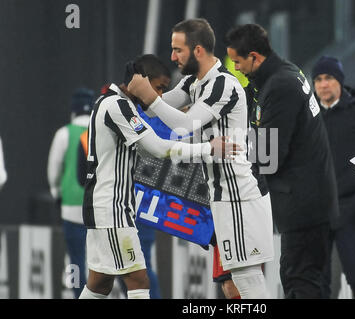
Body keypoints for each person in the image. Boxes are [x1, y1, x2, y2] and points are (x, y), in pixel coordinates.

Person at [127, 18, 274, 299]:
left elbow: (184, 125)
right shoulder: (194, 83)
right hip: (221, 198)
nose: (172, 57)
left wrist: (149, 98)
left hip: (241, 195)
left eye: (177, 50)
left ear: (197, 51)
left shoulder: (223, 84)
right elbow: (159, 106)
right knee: (233, 284)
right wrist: (132, 99)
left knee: (247, 279)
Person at [80, 54, 238, 299]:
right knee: (139, 280)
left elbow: (149, 148)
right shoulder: (117, 106)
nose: (160, 97)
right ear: (140, 81)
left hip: (104, 207)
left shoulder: (112, 103)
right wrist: (208, 148)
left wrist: (196, 140)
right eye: (159, 88)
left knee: (99, 284)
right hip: (111, 209)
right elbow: (157, 148)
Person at [225, 24, 339, 299]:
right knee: (306, 279)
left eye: (238, 62)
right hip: (310, 203)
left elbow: (269, 156)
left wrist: (236, 154)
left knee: (300, 281)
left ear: (254, 56)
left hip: (303, 207)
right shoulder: (285, 73)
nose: (237, 68)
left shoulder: (279, 86)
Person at [312, 56, 355, 299]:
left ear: (339, 80)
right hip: (317, 213)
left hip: (352, 211)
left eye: (328, 78)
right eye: (318, 79)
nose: (323, 84)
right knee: (318, 282)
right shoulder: (308, 118)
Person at [47, 87, 94, 298]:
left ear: (73, 111)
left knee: (76, 259)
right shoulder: (99, 131)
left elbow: (54, 169)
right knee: (103, 258)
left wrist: (56, 192)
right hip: (97, 206)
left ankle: (79, 294)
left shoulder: (64, 133)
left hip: (71, 206)